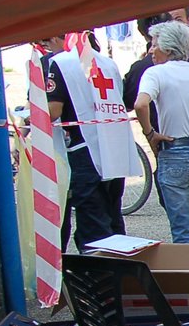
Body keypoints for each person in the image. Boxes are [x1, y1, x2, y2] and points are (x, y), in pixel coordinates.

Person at [42, 31, 134, 251]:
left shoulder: (60, 63)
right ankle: (118, 274)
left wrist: (29, 116)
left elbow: (54, 110)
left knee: (93, 225)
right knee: (113, 218)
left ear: (57, 38)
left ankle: (97, 279)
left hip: (84, 150)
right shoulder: (108, 63)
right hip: (114, 147)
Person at [133, 20, 189, 243]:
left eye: (154, 44)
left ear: (167, 48)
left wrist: (150, 133)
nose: (151, 50)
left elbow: (140, 104)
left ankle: (187, 275)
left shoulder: (155, 73)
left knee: (182, 229)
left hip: (175, 150)